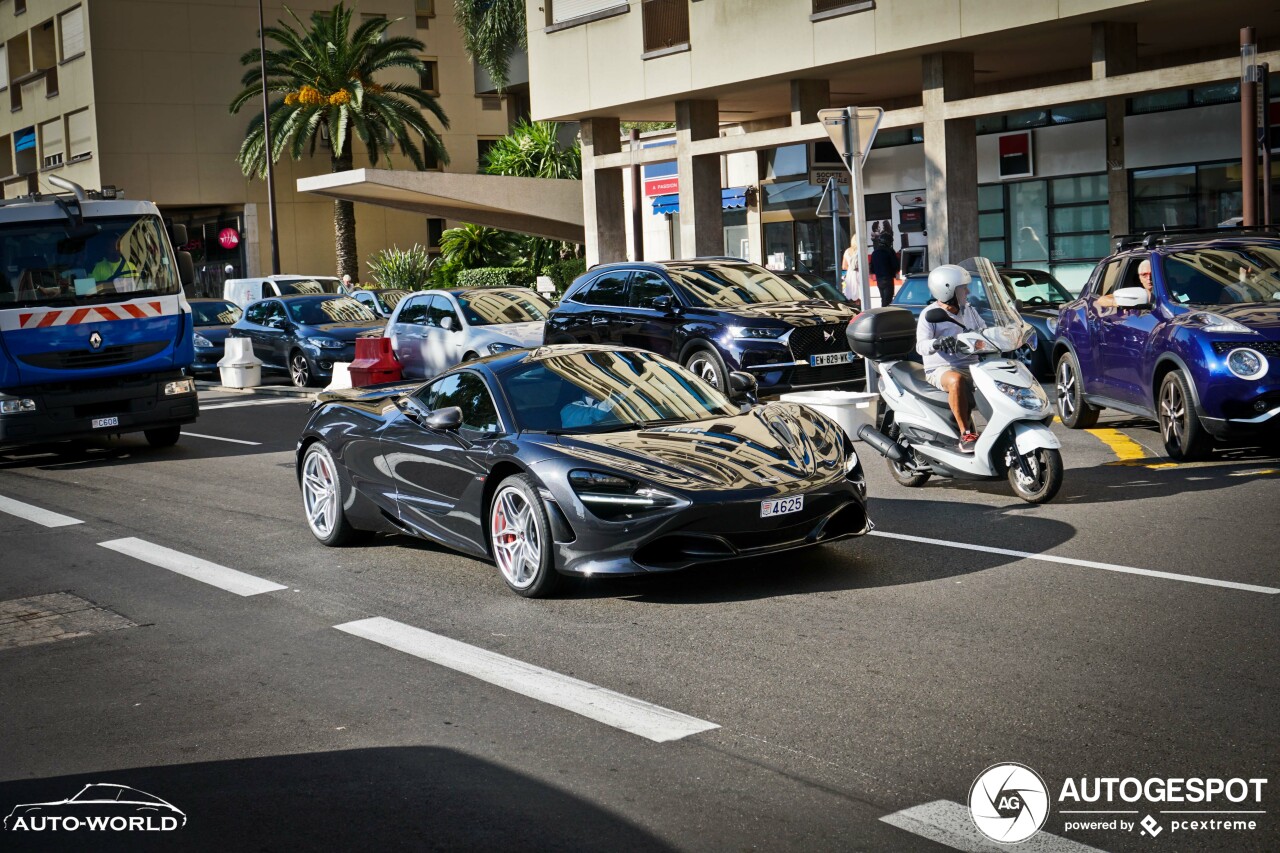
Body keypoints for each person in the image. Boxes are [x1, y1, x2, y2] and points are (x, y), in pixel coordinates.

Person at [916, 264, 987, 454]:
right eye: (963, 288)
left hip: (972, 364)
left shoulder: (969, 310)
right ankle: (966, 434)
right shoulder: (929, 315)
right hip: (942, 368)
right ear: (948, 290)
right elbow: (920, 346)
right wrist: (937, 343)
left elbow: (984, 332)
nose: (968, 291)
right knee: (956, 380)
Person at [869, 236, 900, 308]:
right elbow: (896, 265)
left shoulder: (874, 252)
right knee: (888, 301)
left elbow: (872, 268)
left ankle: (883, 313)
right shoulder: (889, 251)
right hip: (888, 278)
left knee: (883, 299)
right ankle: (886, 315)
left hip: (879, 279)